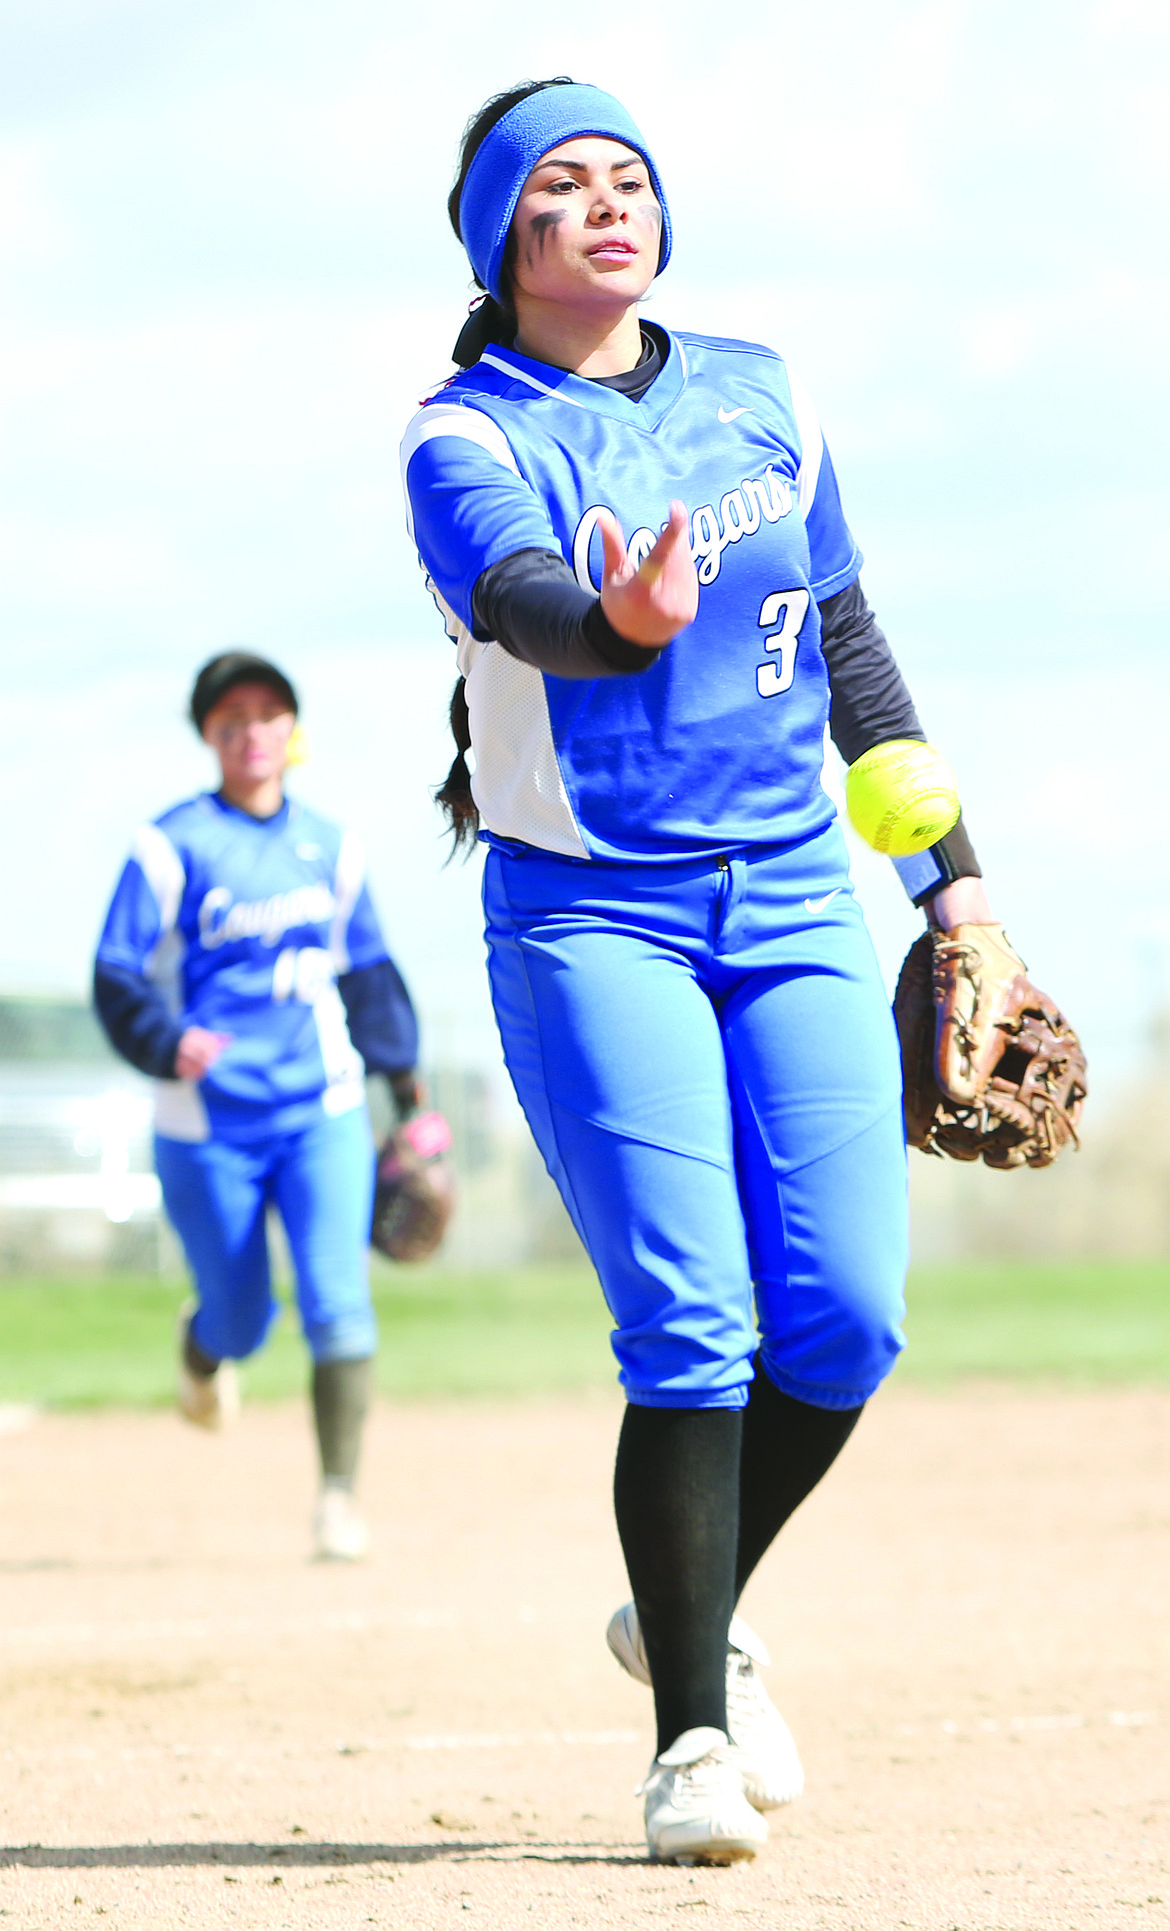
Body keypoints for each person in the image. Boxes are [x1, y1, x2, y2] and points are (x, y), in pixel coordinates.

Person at [401, 79, 996, 1864]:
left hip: (799, 891)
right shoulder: (466, 432)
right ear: (505, 241)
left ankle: (685, 1593)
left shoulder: (764, 390)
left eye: (629, 179)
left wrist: (951, 885)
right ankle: (689, 1739)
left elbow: (853, 648)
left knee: (848, 1318)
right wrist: (623, 627)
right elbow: (522, 601)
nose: (606, 206)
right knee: (694, 1322)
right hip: (594, 913)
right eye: (561, 188)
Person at [93, 652, 420, 1562]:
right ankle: (204, 1348)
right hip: (207, 1123)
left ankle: (337, 1500)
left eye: (268, 712)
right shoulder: (171, 845)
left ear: (291, 731)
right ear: (210, 735)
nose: (251, 729)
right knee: (242, 1319)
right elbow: (116, 974)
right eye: (230, 715)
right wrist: (165, 1042)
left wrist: (409, 1097)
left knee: (338, 1305)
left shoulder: (331, 843)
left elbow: (371, 978)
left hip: (323, 1109)